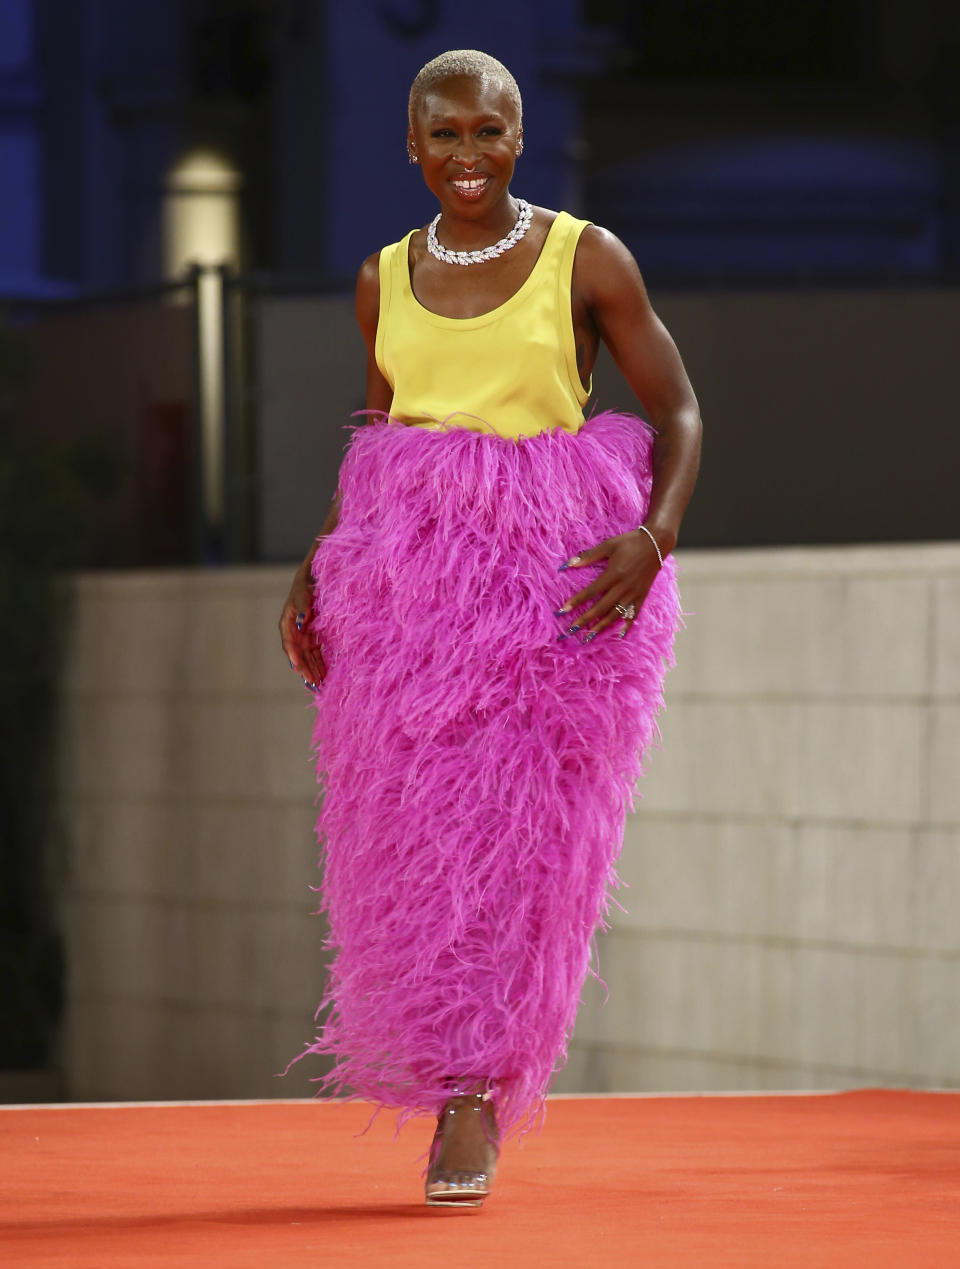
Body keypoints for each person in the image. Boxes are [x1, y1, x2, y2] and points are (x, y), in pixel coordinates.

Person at [279, 49, 701, 1208]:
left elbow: (676, 407)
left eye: (490, 132)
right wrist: (319, 565)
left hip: (551, 584)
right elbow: (377, 432)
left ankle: (476, 1098)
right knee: (410, 846)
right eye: (446, 137)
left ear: (520, 138)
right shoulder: (382, 277)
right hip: (408, 597)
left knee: (522, 848)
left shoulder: (585, 257)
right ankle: (440, 1065)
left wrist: (653, 536)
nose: (470, 157)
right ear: (411, 149)